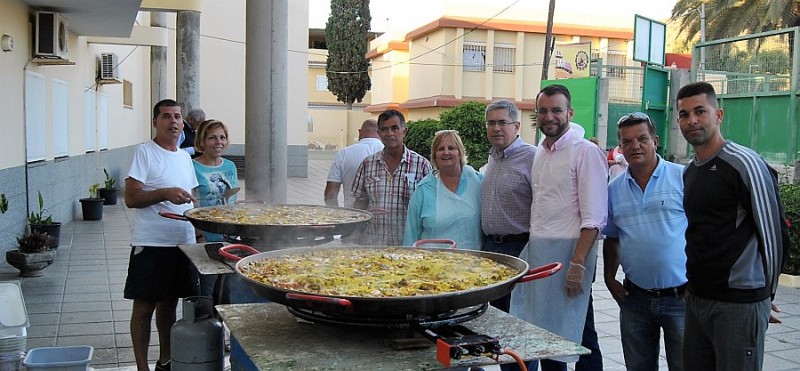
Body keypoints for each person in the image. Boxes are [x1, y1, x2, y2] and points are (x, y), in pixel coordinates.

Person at [677, 81, 787, 371]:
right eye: (684, 114)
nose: (692, 120)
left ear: (719, 115)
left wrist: (765, 297)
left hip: (738, 304)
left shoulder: (744, 163)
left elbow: (774, 235)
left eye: (700, 111)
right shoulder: (689, 171)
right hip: (698, 298)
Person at [511, 84, 607, 371]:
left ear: (570, 112)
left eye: (556, 110)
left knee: (577, 333)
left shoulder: (585, 151)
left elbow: (594, 217)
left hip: (569, 255)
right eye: (543, 111)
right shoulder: (541, 151)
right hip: (541, 252)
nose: (549, 116)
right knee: (546, 333)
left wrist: (577, 266)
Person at [602, 112, 688, 371]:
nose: (634, 146)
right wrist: (608, 278)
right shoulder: (614, 189)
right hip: (635, 299)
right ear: (620, 147)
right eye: (626, 141)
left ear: (655, 141)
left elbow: (703, 234)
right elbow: (613, 238)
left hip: (681, 298)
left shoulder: (683, 178)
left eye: (641, 138)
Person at [123, 99, 200, 371]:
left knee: (170, 306)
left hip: (183, 243)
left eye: (177, 116)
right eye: (166, 116)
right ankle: (142, 367)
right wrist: (165, 192)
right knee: (144, 308)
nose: (174, 122)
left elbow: (194, 200)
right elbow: (131, 198)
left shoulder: (183, 157)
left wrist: (202, 228)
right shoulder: (144, 152)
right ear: (155, 122)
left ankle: (165, 361)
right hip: (152, 243)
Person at [480, 99, 536, 312]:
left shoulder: (532, 157)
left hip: (519, 247)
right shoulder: (493, 157)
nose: (495, 128)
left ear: (516, 126)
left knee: (515, 311)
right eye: (490, 123)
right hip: (490, 247)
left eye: (502, 122)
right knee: (492, 310)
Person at [352, 109, 432, 245]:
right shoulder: (367, 164)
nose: (390, 134)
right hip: (373, 244)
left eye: (395, 128)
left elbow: (429, 207)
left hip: (408, 246)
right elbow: (360, 204)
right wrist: (354, 233)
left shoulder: (421, 165)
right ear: (379, 134)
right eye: (384, 129)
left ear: (404, 131)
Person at [403, 130, 483, 249]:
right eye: (441, 149)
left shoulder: (478, 181)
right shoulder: (423, 190)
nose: (446, 152)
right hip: (432, 263)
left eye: (451, 148)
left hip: (476, 263)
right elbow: (411, 234)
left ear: (460, 153)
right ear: (434, 155)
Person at [192, 119, 239, 302]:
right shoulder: (192, 167)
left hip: (229, 238)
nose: (218, 142)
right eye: (212, 138)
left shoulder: (230, 166)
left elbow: (231, 200)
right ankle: (206, 327)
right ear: (201, 142)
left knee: (227, 291)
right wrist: (199, 236)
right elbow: (189, 205)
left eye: (222, 137)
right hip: (205, 238)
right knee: (206, 292)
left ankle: (222, 328)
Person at [324, 119, 383, 208]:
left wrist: (334, 215)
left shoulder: (344, 153)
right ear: (380, 132)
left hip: (353, 215)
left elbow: (331, 193)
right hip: (382, 217)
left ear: (360, 132)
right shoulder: (388, 152)